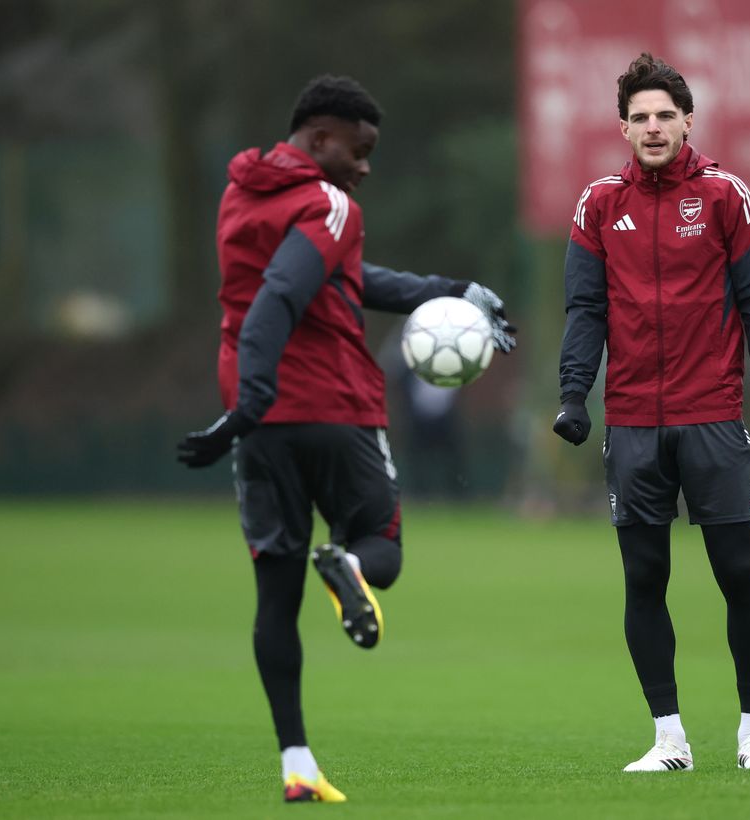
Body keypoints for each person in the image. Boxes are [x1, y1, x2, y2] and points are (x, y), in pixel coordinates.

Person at [176, 74, 515, 803]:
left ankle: (298, 766)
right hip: (333, 409)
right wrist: (256, 396)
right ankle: (349, 564)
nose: (363, 168)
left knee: (275, 596)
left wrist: (451, 289)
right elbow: (283, 294)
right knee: (381, 551)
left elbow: (346, 281)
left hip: (261, 424)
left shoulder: (240, 195)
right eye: (358, 152)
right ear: (320, 138)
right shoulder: (330, 203)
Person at [552, 53, 750, 773]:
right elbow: (585, 308)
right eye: (639, 117)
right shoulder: (598, 204)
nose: (653, 127)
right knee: (644, 578)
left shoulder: (726, 196)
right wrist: (573, 395)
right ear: (622, 129)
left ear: (688, 121)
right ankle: (669, 740)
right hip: (632, 422)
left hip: (711, 415)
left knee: (737, 572)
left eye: (664, 115)